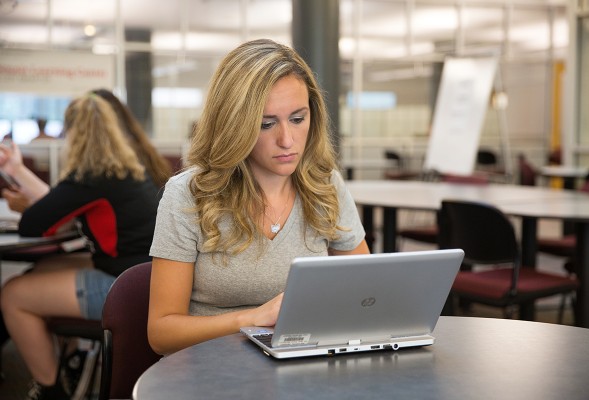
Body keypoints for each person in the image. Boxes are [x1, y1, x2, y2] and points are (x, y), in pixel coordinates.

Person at [147, 38, 370, 356]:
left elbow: (367, 294)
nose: (287, 140)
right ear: (234, 125)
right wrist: (253, 319)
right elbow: (162, 333)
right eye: (266, 124)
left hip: (305, 362)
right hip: (215, 367)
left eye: (297, 118)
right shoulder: (189, 195)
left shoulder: (326, 187)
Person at [0, 93, 160, 400]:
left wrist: (24, 198)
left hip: (124, 288)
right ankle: (69, 363)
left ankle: (51, 390)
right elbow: (55, 204)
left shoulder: (90, 176)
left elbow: (33, 223)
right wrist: (18, 170)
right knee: (43, 270)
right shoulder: (122, 169)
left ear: (73, 132)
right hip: (142, 278)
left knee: (13, 294)